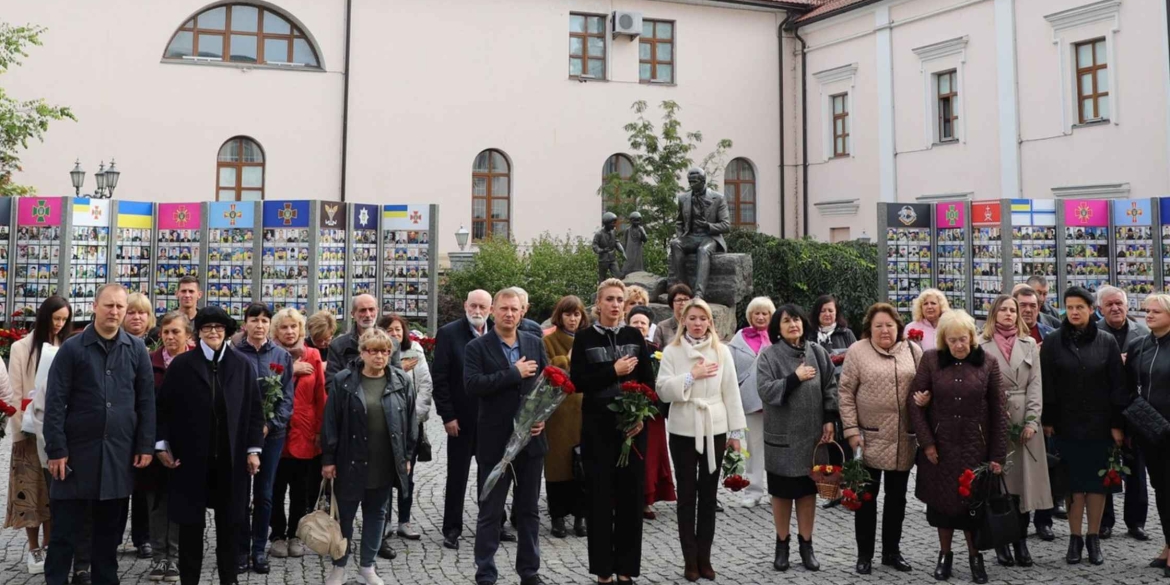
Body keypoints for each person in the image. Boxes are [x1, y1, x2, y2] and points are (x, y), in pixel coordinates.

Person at [44, 284, 156, 585]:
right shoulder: (73, 348)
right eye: (109, 306)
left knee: (108, 537)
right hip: (75, 455)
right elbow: (55, 401)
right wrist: (56, 449)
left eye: (120, 307)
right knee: (65, 532)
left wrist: (145, 444)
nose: (115, 312)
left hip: (118, 455)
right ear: (94, 306)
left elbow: (146, 401)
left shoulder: (136, 350)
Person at [156, 306, 265, 585]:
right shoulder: (182, 365)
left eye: (218, 327)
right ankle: (189, 580)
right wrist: (161, 445)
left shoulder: (241, 365)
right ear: (199, 332)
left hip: (232, 459)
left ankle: (229, 580)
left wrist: (253, 450)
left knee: (230, 526)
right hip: (191, 459)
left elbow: (254, 411)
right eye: (207, 328)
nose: (213, 332)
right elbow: (163, 409)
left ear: (227, 331)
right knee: (190, 527)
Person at [909, 310, 1008, 584]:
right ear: (944, 340)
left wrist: (997, 455)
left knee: (972, 506)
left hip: (976, 446)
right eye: (952, 341)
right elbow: (914, 403)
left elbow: (999, 411)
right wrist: (927, 442)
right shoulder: (930, 360)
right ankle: (944, 555)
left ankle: (976, 557)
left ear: (972, 338)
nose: (958, 346)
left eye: (963, 339)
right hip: (940, 447)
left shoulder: (988, 362)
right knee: (943, 506)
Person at [572, 279, 656, 584]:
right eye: (609, 299)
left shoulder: (635, 336)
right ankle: (603, 572)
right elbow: (578, 381)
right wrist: (613, 371)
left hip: (633, 430)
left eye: (620, 299)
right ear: (599, 303)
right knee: (600, 501)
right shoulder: (583, 339)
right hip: (598, 429)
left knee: (631, 502)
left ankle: (626, 571)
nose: (616, 304)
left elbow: (648, 382)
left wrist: (642, 417)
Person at [658, 298, 747, 581]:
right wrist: (690, 376)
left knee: (708, 497)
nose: (697, 323)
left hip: (715, 427)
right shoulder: (671, 352)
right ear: (683, 321)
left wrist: (735, 434)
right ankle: (689, 560)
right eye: (692, 318)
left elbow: (731, 393)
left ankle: (705, 558)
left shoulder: (722, 352)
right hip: (683, 428)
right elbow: (662, 390)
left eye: (702, 318)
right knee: (686, 496)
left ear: (710, 322)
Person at [465, 288, 549, 585]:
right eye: (503, 309)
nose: (509, 314)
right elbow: (473, 385)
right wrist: (513, 373)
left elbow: (547, 386)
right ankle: (485, 572)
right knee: (490, 510)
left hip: (531, 442)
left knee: (528, 510)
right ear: (493, 311)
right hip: (494, 441)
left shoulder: (535, 343)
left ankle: (529, 571)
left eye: (514, 309)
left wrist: (541, 419)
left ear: (522, 312)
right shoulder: (477, 347)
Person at [321, 328, 416, 585]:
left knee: (377, 513)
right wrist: (328, 459)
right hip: (350, 459)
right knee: (346, 516)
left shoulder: (400, 380)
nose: (379, 356)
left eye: (385, 351)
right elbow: (331, 422)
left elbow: (410, 421)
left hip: (384, 460)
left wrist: (407, 455)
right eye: (373, 351)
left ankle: (367, 567)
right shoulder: (343, 380)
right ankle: (339, 566)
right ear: (362, 352)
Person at [1041, 286, 1126, 565]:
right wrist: (1048, 420)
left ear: (1092, 309)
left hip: (1100, 424)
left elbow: (1117, 385)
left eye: (1080, 307)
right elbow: (1048, 384)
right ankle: (1075, 538)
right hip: (1067, 424)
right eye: (1070, 307)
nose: (1075, 312)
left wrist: (1117, 424)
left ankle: (1093, 538)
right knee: (1074, 484)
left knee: (1098, 483)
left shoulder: (1106, 341)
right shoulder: (1053, 341)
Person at [838, 302, 922, 575]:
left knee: (897, 498)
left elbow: (924, 385)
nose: (885, 330)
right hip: (868, 437)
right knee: (866, 498)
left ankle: (891, 552)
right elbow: (846, 392)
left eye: (889, 325)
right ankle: (864, 555)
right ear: (869, 329)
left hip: (902, 437)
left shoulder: (913, 350)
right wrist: (851, 430)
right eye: (878, 326)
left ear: (898, 326)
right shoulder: (857, 352)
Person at [755, 303, 837, 573]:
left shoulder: (817, 352)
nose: (794, 325)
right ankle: (782, 544)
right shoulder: (769, 356)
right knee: (781, 494)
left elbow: (830, 387)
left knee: (806, 493)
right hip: (782, 437)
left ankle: (807, 544)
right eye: (787, 321)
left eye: (797, 320)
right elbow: (766, 391)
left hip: (813, 438)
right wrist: (794, 378)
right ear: (777, 327)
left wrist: (829, 418)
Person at [976, 295, 1050, 568]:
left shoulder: (1029, 343)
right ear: (994, 313)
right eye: (1003, 309)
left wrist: (1032, 421)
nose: (1008, 314)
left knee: (1023, 486)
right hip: (994, 420)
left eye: (1013, 310)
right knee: (999, 484)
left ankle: (1021, 542)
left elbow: (1035, 385)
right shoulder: (980, 344)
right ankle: (1001, 543)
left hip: (1024, 422)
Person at [6, 295, 70, 576]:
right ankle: (34, 547)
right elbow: (15, 391)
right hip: (28, 431)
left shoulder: (66, 348)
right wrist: (23, 429)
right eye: (56, 318)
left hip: (56, 432)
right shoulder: (21, 347)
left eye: (64, 320)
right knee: (30, 492)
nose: (59, 324)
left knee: (54, 492)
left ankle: (49, 543)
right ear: (45, 317)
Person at [433, 289, 499, 550]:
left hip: (491, 421)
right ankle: (452, 528)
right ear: (465, 305)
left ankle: (492, 523)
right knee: (457, 476)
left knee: (491, 475)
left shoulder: (497, 332)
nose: (477, 311)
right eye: (473, 305)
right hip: (460, 420)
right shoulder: (449, 334)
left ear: (491, 309)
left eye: (483, 307)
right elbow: (440, 378)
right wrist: (447, 415)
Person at [234, 302, 295, 574]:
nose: (259, 325)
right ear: (244, 323)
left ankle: (259, 549)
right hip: (240, 435)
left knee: (265, 493)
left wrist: (270, 425)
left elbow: (287, 399)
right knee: (238, 493)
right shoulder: (234, 354)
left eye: (264, 320)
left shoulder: (282, 357)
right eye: (254, 320)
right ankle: (240, 550)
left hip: (272, 435)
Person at [267, 308, 326, 560]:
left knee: (302, 490)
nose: (289, 331)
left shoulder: (313, 355)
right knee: (275, 489)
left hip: (305, 431)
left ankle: (296, 535)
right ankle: (277, 535)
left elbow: (320, 395)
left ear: (301, 330)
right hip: (277, 433)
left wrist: (321, 430)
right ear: (276, 331)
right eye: (284, 327)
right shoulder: (271, 355)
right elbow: (266, 388)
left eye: (294, 327)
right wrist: (291, 370)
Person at [1096, 286, 1150, 540]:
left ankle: (1136, 521)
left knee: (1136, 468)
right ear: (1100, 309)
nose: (1116, 308)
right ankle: (1105, 521)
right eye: (1110, 305)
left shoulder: (1143, 332)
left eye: (1120, 303)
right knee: (1105, 465)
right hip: (1104, 409)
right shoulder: (1093, 333)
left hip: (1135, 409)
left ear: (1127, 306)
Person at [379, 313, 434, 547]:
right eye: (389, 330)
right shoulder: (377, 353)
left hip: (409, 424)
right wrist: (397, 367)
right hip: (384, 424)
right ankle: (384, 521)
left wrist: (415, 418)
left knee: (406, 475)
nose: (394, 334)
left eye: (398, 330)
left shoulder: (416, 351)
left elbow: (425, 386)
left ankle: (404, 520)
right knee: (383, 476)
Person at [1012, 285, 1063, 536]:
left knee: (1045, 468)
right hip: (1017, 411)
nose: (1029, 310)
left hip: (1047, 411)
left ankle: (1044, 520)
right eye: (1023, 305)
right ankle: (1015, 521)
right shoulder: (1006, 336)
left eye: (1034, 305)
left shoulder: (1050, 333)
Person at [145, 311, 192, 582]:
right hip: (155, 444)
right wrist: (157, 445)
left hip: (186, 448)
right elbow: (147, 407)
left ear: (188, 335)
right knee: (156, 504)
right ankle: (158, 557)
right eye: (166, 332)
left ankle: (173, 558)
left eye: (176, 332)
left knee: (179, 503)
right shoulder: (149, 363)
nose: (170, 337)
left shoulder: (195, 363)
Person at [1126, 294, 1170, 577]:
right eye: (1147, 311)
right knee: (1162, 489)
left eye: (1156, 311)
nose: (1149, 315)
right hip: (1150, 430)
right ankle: (1168, 544)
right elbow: (1131, 386)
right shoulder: (1138, 346)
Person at [541, 296, 588, 538]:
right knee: (557, 467)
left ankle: (581, 516)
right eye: (568, 314)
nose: (573, 319)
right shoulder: (548, 340)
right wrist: (567, 359)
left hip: (583, 410)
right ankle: (557, 516)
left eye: (577, 314)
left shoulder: (588, 340)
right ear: (560, 316)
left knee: (582, 466)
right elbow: (547, 370)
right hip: (558, 413)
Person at [118, 291, 156, 559]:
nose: (137, 317)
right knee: (118, 486)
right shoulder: (116, 342)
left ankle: (144, 537)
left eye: (142, 312)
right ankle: (112, 536)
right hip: (120, 425)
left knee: (144, 488)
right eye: (131, 312)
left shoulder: (156, 342)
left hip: (145, 422)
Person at [727, 296, 775, 509]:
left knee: (777, 449)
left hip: (775, 402)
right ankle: (753, 490)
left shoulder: (778, 337)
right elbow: (731, 370)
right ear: (749, 316)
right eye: (757, 313)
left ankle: (777, 490)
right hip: (749, 401)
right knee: (753, 448)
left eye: (765, 313)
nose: (761, 316)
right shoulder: (738, 340)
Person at [628, 305, 676, 519]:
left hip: (652, 410)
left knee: (651, 456)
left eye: (643, 323)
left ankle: (647, 499)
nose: (639, 326)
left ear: (649, 327)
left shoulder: (656, 350)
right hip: (626, 406)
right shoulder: (621, 347)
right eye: (634, 322)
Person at [327, 294, 380, 382]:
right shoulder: (337, 346)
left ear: (377, 311)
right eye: (362, 310)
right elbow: (332, 383)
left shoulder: (392, 343)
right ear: (353, 314)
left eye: (371, 309)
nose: (368, 314)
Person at [807, 294, 858, 373]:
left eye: (830, 311)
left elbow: (857, 359)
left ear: (836, 313)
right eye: (823, 311)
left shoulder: (846, 333)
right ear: (817, 313)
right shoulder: (809, 335)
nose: (827, 314)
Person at [653, 284, 693, 349]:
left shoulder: (696, 325)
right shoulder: (662, 327)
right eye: (679, 300)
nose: (683, 303)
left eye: (686, 299)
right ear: (672, 303)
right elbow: (656, 352)